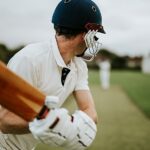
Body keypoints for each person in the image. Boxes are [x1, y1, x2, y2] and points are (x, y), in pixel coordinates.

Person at [0, 0, 105, 149]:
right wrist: (51, 123)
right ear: (85, 34)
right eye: (94, 35)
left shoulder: (79, 66)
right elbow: (4, 122)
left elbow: (90, 111)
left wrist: (67, 124)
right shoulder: (30, 59)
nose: (94, 41)